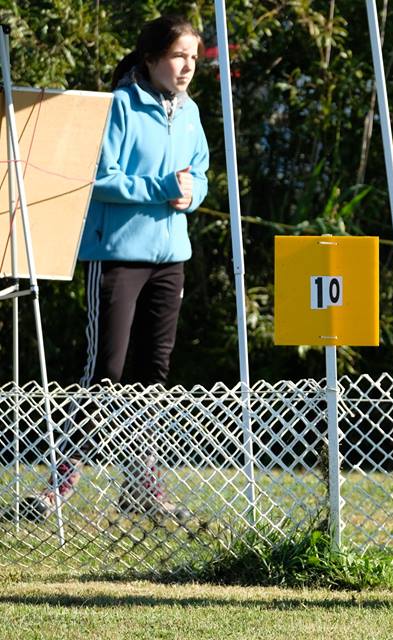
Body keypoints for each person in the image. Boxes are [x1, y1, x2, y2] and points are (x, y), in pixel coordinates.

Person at [14, 15, 209, 523]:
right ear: (151, 58)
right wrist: (163, 187)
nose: (187, 66)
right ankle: (58, 486)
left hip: (172, 260)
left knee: (153, 376)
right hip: (118, 255)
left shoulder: (190, 113)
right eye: (177, 56)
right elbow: (98, 178)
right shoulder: (120, 107)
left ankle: (144, 486)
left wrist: (192, 194)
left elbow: (202, 173)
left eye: (193, 56)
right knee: (106, 372)